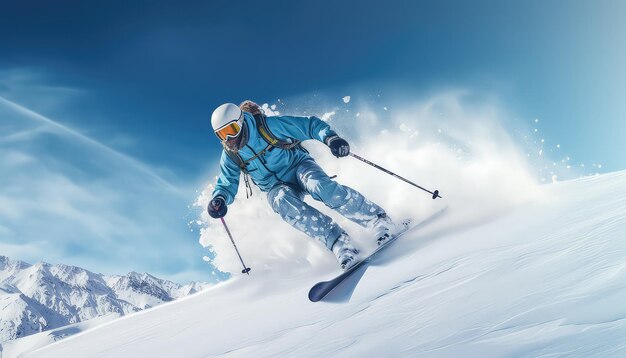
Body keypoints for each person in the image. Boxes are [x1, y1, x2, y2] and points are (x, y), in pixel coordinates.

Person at [207, 101, 398, 270]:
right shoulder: (231, 155)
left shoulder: (269, 127)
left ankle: (377, 220)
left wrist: (330, 138)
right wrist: (219, 198)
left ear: (240, 122)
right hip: (275, 186)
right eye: (221, 135)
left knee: (320, 186)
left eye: (230, 130)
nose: (227, 139)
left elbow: (309, 125)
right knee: (282, 203)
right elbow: (227, 182)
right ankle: (340, 242)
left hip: (298, 166)